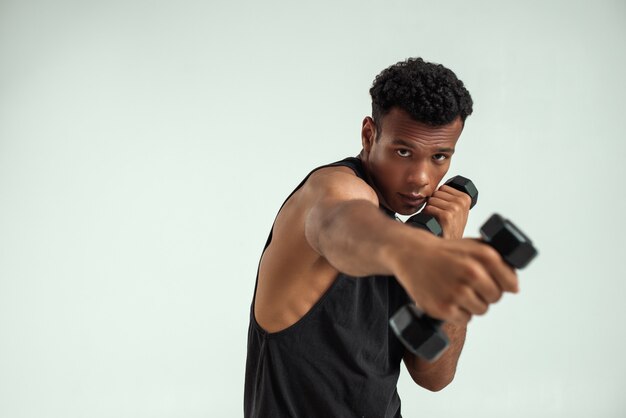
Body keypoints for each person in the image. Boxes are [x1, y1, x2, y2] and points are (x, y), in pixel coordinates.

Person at [244, 57, 519, 417]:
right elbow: (342, 224)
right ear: (370, 135)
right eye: (403, 152)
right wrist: (417, 252)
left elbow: (433, 375)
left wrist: (446, 257)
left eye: (439, 157)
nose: (421, 178)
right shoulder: (333, 191)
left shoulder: (410, 237)